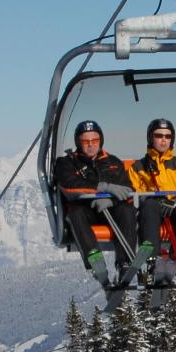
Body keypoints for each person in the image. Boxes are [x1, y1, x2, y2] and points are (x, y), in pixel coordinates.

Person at [51, 119, 138, 293]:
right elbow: (70, 185)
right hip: (85, 210)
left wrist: (111, 200)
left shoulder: (113, 162)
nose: (91, 145)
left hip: (111, 209)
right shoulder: (67, 163)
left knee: (126, 210)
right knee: (76, 213)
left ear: (101, 140)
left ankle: (125, 263)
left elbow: (127, 189)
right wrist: (100, 188)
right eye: (85, 141)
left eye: (95, 140)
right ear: (78, 142)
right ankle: (95, 261)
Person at [126, 117, 176, 287]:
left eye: (168, 136)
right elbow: (133, 193)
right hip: (152, 208)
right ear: (150, 137)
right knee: (149, 207)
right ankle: (153, 262)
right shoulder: (139, 166)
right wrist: (152, 198)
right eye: (159, 136)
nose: (163, 140)